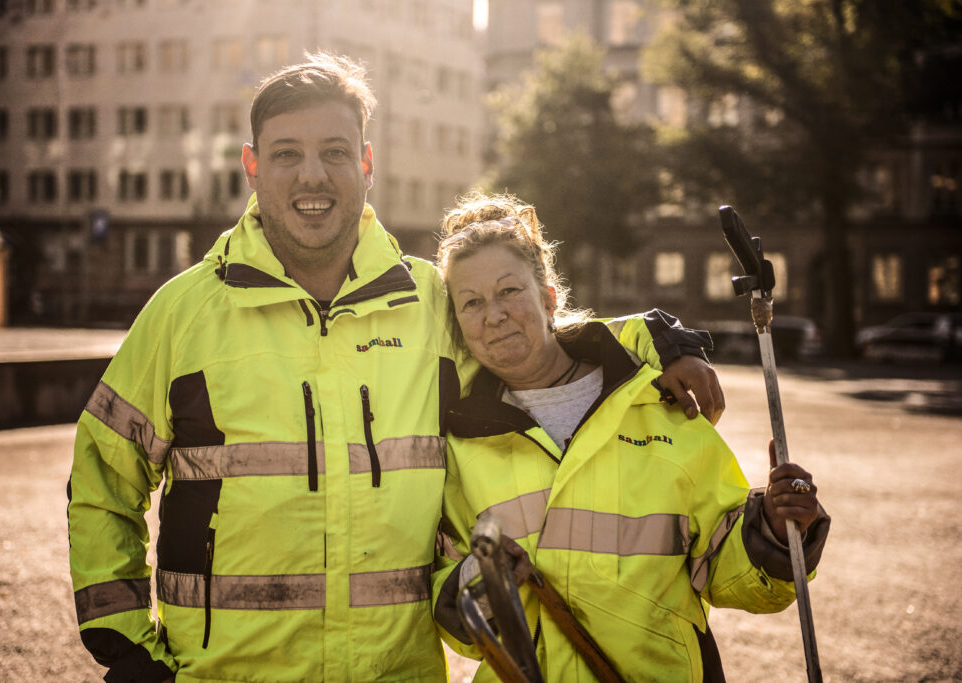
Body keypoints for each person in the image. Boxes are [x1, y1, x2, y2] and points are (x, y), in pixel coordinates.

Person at [67, 53, 723, 681]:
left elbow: (529, 338)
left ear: (368, 163)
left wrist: (653, 338)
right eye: (287, 153)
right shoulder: (184, 313)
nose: (312, 175)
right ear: (252, 166)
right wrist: (124, 645)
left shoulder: (429, 303)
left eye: (335, 152)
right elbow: (103, 475)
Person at [431, 192, 831, 682]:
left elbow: (727, 571)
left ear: (549, 298)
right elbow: (454, 612)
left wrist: (773, 529)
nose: (493, 314)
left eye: (509, 291)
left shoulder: (661, 403)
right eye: (471, 302)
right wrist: (478, 585)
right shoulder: (456, 442)